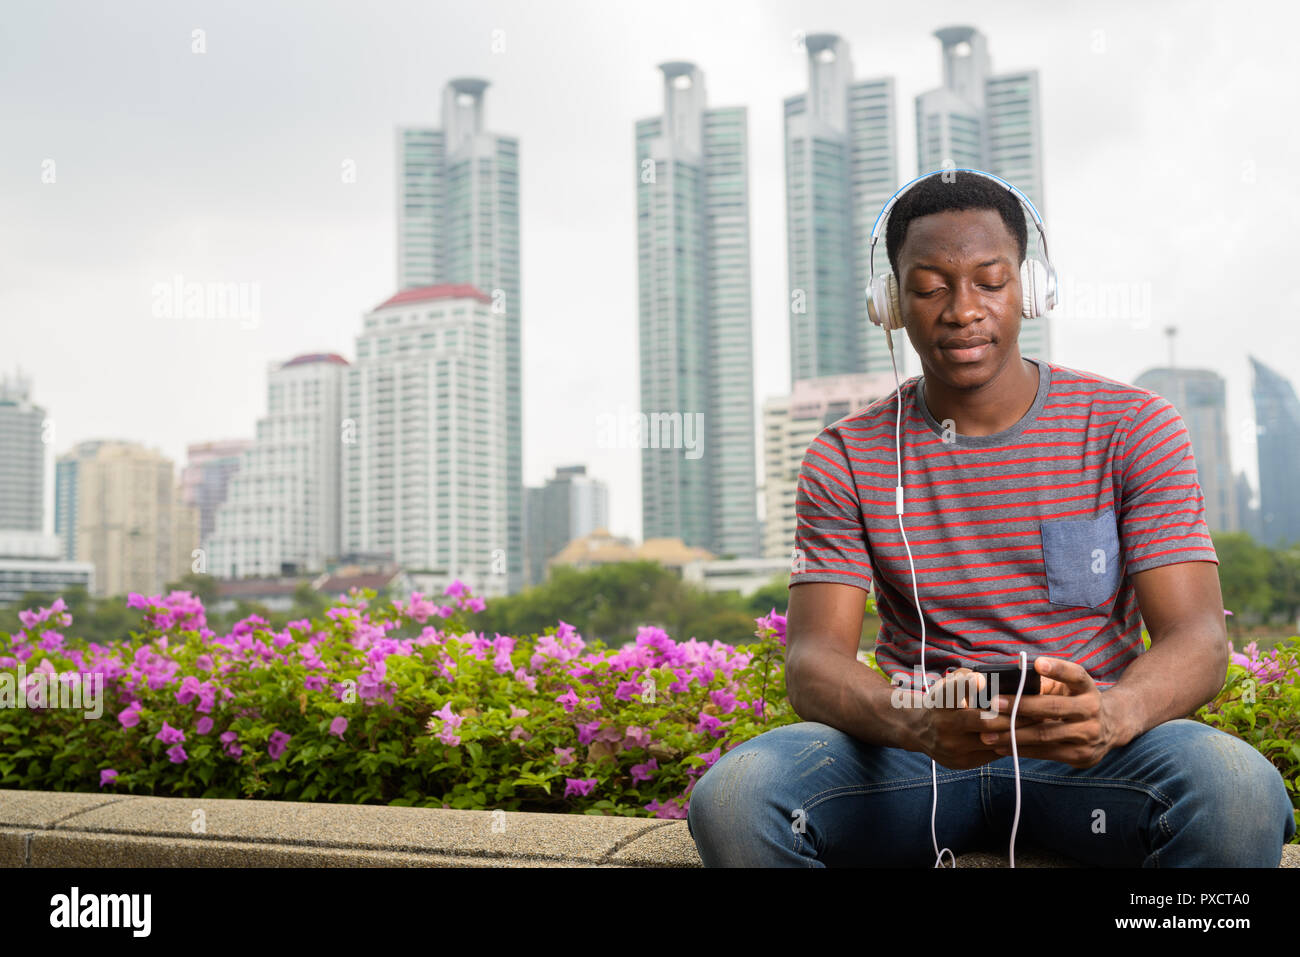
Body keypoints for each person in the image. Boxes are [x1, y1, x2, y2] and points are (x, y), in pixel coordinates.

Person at [686, 171, 1296, 867]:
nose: (962, 308)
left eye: (990, 280)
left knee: (1240, 790)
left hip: (1090, 752)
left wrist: (1114, 713)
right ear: (890, 303)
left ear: (1030, 290)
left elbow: (1199, 638)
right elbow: (812, 661)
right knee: (737, 797)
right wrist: (911, 719)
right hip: (914, 756)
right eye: (929, 286)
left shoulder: (1133, 426)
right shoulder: (846, 455)